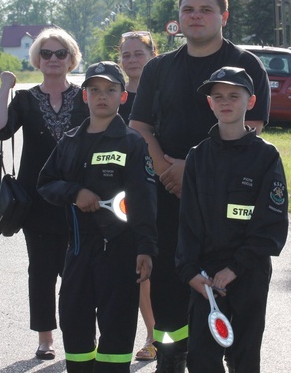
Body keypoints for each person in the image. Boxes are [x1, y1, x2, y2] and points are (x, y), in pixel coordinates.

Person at [129, 0, 271, 372]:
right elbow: (140, 126)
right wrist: (164, 168)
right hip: (168, 193)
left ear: (223, 16)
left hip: (228, 200)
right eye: (189, 10)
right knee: (171, 283)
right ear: (178, 20)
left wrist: (192, 168)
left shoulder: (247, 64)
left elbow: (255, 125)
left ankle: (224, 356)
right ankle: (171, 357)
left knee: (228, 283)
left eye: (205, 10)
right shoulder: (159, 68)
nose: (196, 17)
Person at [37, 61, 158, 372]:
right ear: (84, 96)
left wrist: (145, 247)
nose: (102, 96)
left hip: (120, 250)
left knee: (116, 331)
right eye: (94, 90)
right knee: (74, 325)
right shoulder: (70, 140)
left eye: (110, 90)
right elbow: (46, 183)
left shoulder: (132, 142)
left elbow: (144, 199)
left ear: (123, 97)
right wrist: (75, 193)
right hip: (77, 250)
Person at [176, 66, 288, 372]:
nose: (226, 102)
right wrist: (190, 272)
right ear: (210, 103)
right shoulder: (198, 156)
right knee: (201, 357)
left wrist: (236, 267)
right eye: (218, 96)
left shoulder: (266, 157)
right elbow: (187, 221)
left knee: (244, 356)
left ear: (250, 102)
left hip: (247, 273)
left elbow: (271, 223)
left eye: (234, 96)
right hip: (206, 278)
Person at [0, 27, 88, 360]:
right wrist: (4, 88)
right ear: (38, 60)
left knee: (79, 271)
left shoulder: (85, 97)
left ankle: (82, 334)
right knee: (41, 270)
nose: (54, 59)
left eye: (61, 54)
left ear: (71, 59)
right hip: (37, 198)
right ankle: (46, 338)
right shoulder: (26, 100)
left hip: (79, 197)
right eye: (47, 54)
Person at [118, 30, 158, 362]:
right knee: (133, 267)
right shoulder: (113, 95)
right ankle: (140, 336)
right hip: (122, 196)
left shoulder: (162, 93)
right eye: (126, 55)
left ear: (152, 55)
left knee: (157, 267)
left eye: (138, 54)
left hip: (160, 188)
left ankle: (157, 335)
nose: (132, 60)